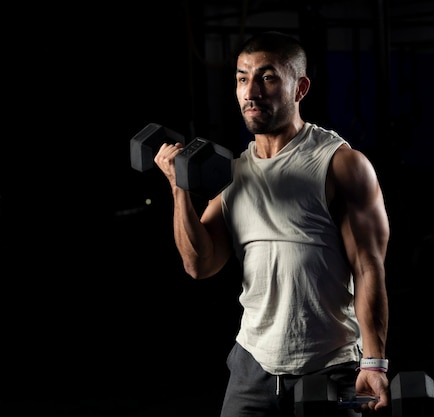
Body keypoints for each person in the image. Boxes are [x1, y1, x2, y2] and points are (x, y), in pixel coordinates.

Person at [154, 31, 391, 417]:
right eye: (242, 78)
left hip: (329, 367)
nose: (251, 92)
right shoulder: (232, 175)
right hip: (252, 367)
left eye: (267, 77)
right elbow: (200, 265)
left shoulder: (341, 164)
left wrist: (375, 362)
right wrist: (178, 188)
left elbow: (368, 267)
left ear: (300, 88)